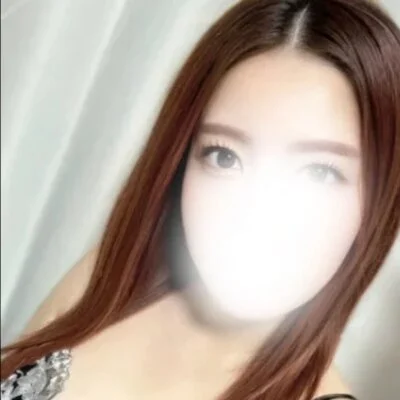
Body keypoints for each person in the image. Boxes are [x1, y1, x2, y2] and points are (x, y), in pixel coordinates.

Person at [1, 0, 399, 399]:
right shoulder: (107, 277)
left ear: (379, 202)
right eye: (224, 156)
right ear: (179, 160)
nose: (256, 211)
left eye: (320, 172)